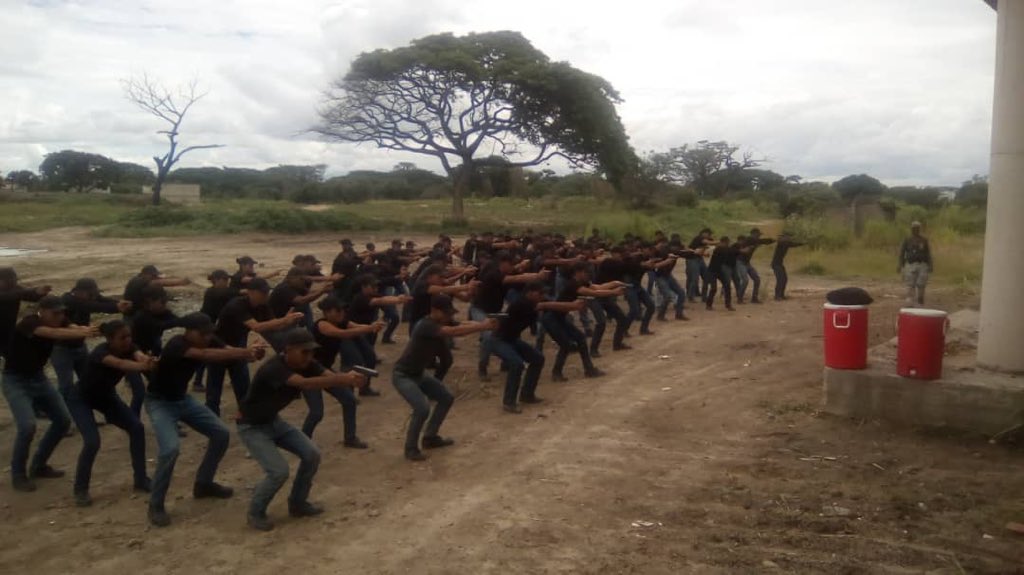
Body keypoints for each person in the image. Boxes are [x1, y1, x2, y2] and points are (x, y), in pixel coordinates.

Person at [237, 328, 366, 531]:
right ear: (288, 350)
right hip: (252, 427)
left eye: (311, 352)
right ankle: (255, 512)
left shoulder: (308, 364)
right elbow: (305, 384)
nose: (309, 356)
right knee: (278, 472)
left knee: (312, 454)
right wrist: (343, 379)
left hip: (273, 421)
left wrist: (349, 378)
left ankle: (298, 503)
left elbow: (328, 375)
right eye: (304, 352)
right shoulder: (275, 368)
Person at [145, 312, 264, 527]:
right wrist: (245, 352)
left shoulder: (207, 337)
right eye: (203, 334)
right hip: (160, 402)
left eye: (210, 333)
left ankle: (204, 483)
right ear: (189, 332)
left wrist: (252, 353)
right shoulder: (176, 344)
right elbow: (208, 355)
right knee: (170, 450)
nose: (208, 337)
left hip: (182, 399)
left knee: (221, 434)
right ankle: (156, 504)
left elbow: (225, 351)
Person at [2, 295, 93, 492]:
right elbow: (55, 333)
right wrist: (85, 332)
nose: (59, 317)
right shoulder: (29, 323)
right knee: (27, 426)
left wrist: (88, 330)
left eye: (61, 313)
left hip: (38, 378)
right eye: (55, 313)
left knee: (62, 421)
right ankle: (18, 474)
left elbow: (70, 328)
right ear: (41, 311)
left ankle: (38, 465)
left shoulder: (58, 321)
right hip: (15, 380)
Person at [392, 295, 495, 461]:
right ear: (434, 311)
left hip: (418, 373)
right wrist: (484, 326)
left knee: (446, 398)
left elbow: (462, 324)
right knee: (422, 409)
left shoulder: (440, 322)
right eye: (446, 313)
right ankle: (410, 448)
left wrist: (486, 324)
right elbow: (454, 331)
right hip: (403, 375)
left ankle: (430, 437)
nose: (450, 317)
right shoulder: (425, 325)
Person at [69, 320, 155, 507]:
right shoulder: (101, 353)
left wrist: (146, 361)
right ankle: (80, 489)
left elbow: (138, 355)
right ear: (110, 339)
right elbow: (120, 363)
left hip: (105, 397)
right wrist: (145, 366)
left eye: (129, 336)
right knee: (92, 442)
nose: (127, 340)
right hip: (81, 398)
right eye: (122, 338)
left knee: (137, 428)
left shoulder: (129, 347)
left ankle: (141, 479)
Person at [207, 278, 304, 416]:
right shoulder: (237, 305)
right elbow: (257, 327)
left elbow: (273, 325)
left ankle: (246, 416)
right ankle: (213, 421)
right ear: (251, 292)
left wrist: (289, 320)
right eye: (263, 292)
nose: (266, 295)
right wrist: (284, 320)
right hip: (219, 345)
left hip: (239, 344)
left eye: (267, 292)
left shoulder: (263, 305)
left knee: (243, 386)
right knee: (214, 388)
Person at [303, 296, 384, 448]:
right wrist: (369, 328)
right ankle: (303, 442)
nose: (342, 313)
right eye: (338, 310)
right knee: (316, 413)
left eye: (343, 310)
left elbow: (355, 326)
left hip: (325, 369)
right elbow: (342, 334)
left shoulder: (341, 322)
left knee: (349, 400)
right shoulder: (322, 325)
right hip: (309, 372)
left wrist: (372, 325)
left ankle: (350, 438)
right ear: (327, 312)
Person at [491, 283, 584, 413]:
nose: (542, 296)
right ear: (529, 293)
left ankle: (527, 395)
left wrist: (571, 304)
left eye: (543, 293)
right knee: (517, 364)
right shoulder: (521, 303)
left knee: (537, 359)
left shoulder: (535, 301)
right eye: (539, 293)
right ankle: (509, 402)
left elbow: (554, 305)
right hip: (498, 340)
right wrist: (573, 306)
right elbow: (549, 306)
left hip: (511, 340)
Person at [53, 278, 129, 403]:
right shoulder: (68, 300)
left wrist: (120, 303)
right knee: (66, 385)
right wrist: (116, 306)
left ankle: (83, 410)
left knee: (89, 380)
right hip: (62, 349)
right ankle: (62, 413)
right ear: (79, 292)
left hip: (80, 347)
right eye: (90, 294)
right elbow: (92, 306)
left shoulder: (86, 297)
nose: (93, 297)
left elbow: (101, 300)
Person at [542, 262, 611, 382]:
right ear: (578, 272)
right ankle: (557, 372)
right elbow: (595, 293)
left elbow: (598, 288)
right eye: (585, 272)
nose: (588, 275)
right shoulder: (573, 284)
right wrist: (614, 292)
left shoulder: (579, 283)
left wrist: (615, 285)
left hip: (559, 317)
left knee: (580, 339)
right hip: (552, 318)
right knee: (565, 345)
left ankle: (588, 369)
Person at [347, 274, 412, 396]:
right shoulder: (360, 298)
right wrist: (398, 299)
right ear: (364, 287)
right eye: (373, 286)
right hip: (354, 333)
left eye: (376, 286)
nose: (376, 288)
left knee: (369, 359)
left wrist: (397, 298)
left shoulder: (370, 295)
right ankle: (350, 391)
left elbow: (383, 298)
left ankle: (364, 388)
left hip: (366, 331)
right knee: (355, 362)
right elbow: (380, 300)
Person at [194, 269, 237, 392]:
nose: (227, 282)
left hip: (210, 326)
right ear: (217, 280)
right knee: (207, 355)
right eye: (225, 280)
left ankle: (198, 382)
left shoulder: (217, 292)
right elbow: (231, 294)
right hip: (206, 327)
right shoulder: (213, 292)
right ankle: (197, 382)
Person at [0, 267, 50, 365]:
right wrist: (34, 290)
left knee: (9, 352)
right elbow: (7, 296)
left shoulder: (15, 289)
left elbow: (30, 297)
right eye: (9, 281)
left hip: (9, 326)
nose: (13, 283)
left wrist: (41, 294)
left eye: (14, 281)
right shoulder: (14, 291)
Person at [122, 265, 190, 318]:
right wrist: (181, 282)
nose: (155, 277)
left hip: (134, 312)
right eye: (153, 275)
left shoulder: (138, 279)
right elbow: (159, 282)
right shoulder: (139, 280)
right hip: (132, 316)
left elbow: (160, 280)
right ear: (145, 274)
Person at [735, 229, 774, 304]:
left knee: (757, 279)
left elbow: (762, 242)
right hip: (740, 262)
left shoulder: (754, 240)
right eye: (758, 234)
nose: (759, 236)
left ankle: (754, 298)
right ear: (753, 234)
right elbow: (762, 241)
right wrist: (771, 240)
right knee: (745, 281)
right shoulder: (749, 239)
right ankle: (740, 298)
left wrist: (771, 241)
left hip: (746, 263)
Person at [899, 221, 933, 306]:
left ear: (919, 229)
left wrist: (931, 265)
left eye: (917, 228)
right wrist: (900, 264)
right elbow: (902, 253)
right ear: (911, 229)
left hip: (922, 264)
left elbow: (928, 253)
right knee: (910, 284)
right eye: (914, 228)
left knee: (921, 283)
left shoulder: (924, 240)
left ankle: (920, 299)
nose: (915, 230)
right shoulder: (907, 240)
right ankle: (910, 301)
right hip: (910, 264)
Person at [771, 233, 805, 301]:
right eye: (788, 237)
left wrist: (802, 243)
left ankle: (781, 295)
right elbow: (785, 242)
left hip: (779, 264)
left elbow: (793, 244)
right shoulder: (781, 243)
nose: (789, 238)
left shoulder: (785, 243)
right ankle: (777, 296)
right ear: (784, 237)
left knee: (784, 279)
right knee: (780, 280)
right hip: (776, 264)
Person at [706, 237, 736, 311]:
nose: (727, 244)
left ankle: (728, 305)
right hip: (712, 271)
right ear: (725, 242)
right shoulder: (719, 249)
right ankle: (709, 305)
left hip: (718, 271)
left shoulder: (721, 248)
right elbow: (729, 250)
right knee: (714, 288)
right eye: (727, 243)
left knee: (727, 286)